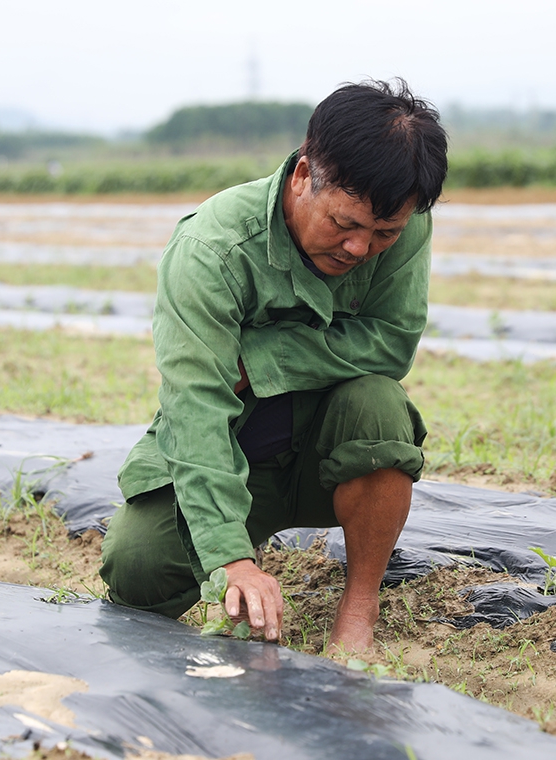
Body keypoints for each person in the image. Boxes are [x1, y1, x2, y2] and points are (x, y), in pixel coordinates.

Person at [99, 79, 448, 653]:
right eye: (345, 225)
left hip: (328, 454)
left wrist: (260, 355)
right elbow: (196, 406)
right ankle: (245, 547)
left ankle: (359, 607)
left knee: (380, 404)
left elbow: (391, 343)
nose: (361, 249)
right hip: (241, 446)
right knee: (137, 570)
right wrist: (232, 561)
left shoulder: (403, 222)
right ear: (303, 174)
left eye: (383, 233)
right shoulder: (212, 249)